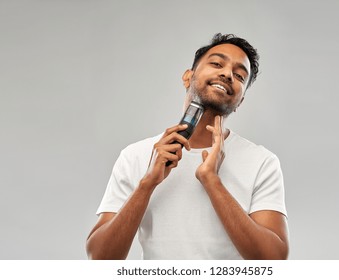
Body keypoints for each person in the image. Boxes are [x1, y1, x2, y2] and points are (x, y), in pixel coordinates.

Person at [86, 33, 289, 260]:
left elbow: (274, 260)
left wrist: (212, 182)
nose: (227, 74)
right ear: (187, 77)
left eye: (240, 75)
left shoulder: (262, 162)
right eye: (216, 63)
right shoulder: (135, 156)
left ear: (240, 101)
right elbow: (100, 258)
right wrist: (147, 183)